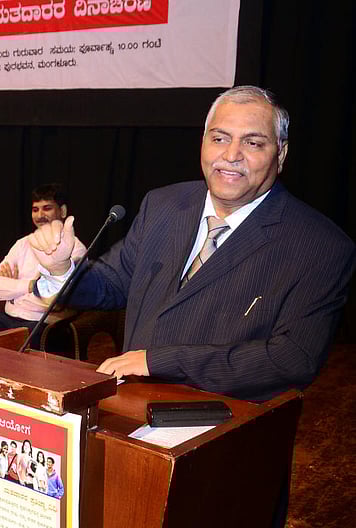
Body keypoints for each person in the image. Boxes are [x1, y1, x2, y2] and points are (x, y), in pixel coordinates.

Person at [30, 86, 356, 525]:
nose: (232, 154)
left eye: (253, 142)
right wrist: (62, 268)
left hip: (225, 450)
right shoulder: (163, 205)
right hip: (128, 428)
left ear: (281, 154)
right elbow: (112, 282)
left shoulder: (319, 245)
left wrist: (160, 360)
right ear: (202, 143)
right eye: (220, 138)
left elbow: (292, 359)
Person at [0, 184, 85, 348]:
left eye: (47, 208)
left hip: (44, 326)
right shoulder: (22, 244)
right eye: (35, 209)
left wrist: (13, 292)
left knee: (4, 353)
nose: (40, 215)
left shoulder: (76, 248)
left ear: (63, 211)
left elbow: (55, 302)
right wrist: (31, 285)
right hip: (8, 318)